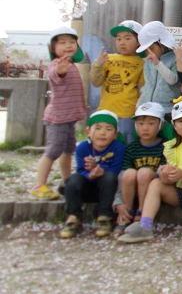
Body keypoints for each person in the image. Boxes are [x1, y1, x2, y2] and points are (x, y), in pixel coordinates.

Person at [118, 97, 182, 243]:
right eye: (181, 121)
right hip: (180, 191)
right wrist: (166, 175)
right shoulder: (170, 147)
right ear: (174, 125)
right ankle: (145, 225)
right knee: (156, 184)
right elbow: (168, 176)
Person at [31, 26, 87, 200]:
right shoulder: (57, 65)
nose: (68, 45)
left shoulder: (71, 64)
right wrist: (61, 70)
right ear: (53, 48)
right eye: (62, 42)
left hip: (68, 118)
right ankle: (39, 185)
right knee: (54, 150)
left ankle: (67, 181)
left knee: (68, 150)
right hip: (58, 119)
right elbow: (56, 75)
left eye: (72, 42)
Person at [60, 110, 126, 238]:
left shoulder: (119, 148)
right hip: (87, 188)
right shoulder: (82, 148)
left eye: (108, 129)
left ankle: (104, 217)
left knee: (109, 177)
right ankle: (74, 216)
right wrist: (90, 175)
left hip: (108, 190)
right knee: (72, 179)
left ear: (115, 134)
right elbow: (81, 170)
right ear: (88, 132)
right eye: (98, 128)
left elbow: (117, 169)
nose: (102, 132)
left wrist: (101, 170)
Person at [115, 102, 170, 233]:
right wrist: (117, 201)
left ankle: (142, 212)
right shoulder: (131, 148)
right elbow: (122, 175)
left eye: (151, 124)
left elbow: (164, 173)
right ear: (135, 126)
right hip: (133, 187)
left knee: (144, 172)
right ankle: (126, 213)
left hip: (153, 187)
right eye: (140, 123)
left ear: (160, 125)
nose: (145, 128)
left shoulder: (165, 147)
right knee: (128, 173)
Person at [90, 20, 144, 144]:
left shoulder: (142, 62)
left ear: (139, 42)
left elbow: (143, 89)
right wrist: (98, 65)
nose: (122, 42)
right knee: (104, 144)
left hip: (128, 113)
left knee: (126, 144)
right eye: (118, 39)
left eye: (127, 38)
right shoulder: (108, 59)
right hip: (106, 110)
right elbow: (96, 82)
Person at [136, 21, 180, 114]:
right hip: (148, 108)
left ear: (161, 43)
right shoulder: (148, 61)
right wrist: (140, 103)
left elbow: (172, 80)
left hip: (167, 109)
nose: (150, 53)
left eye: (151, 48)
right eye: (146, 50)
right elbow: (147, 84)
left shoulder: (175, 58)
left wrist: (158, 63)